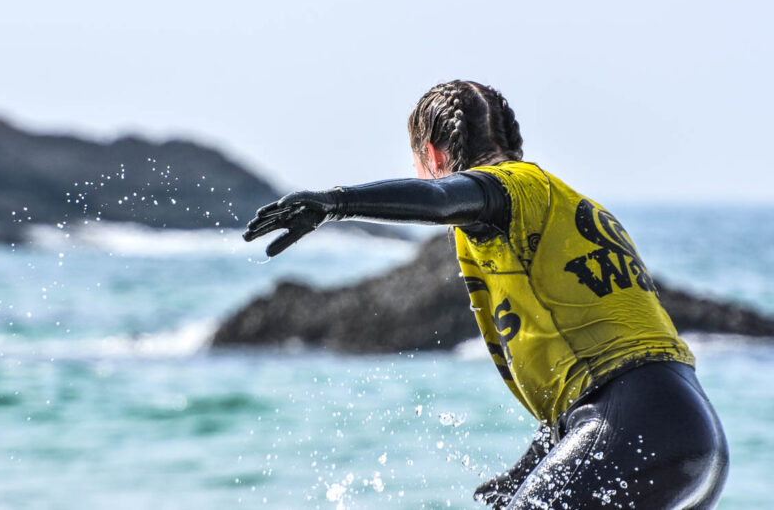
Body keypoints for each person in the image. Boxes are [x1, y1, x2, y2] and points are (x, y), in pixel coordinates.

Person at [242, 80, 728, 509]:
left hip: (635, 426)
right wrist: (531, 468)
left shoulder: (510, 187)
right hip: (693, 438)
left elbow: (439, 199)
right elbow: (589, 369)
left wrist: (335, 203)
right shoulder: (559, 209)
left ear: (433, 156)